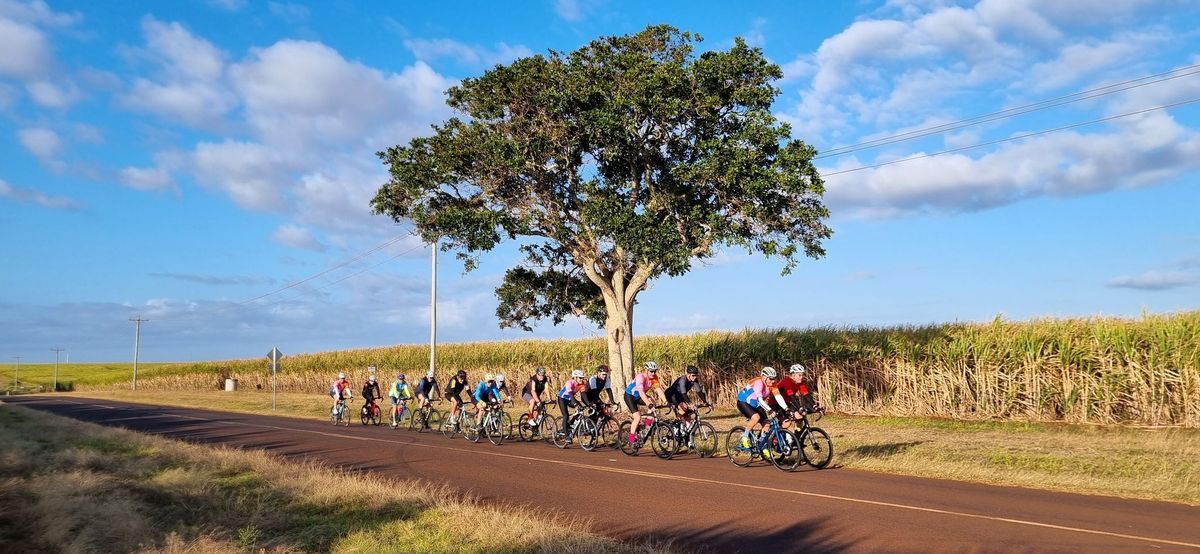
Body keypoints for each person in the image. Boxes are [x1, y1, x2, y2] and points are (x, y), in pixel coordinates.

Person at [736, 367, 779, 447]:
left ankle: (762, 445)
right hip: (743, 402)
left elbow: (779, 398)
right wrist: (769, 410)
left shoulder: (773, 385)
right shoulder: (759, 383)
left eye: (774, 379)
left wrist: (786, 408)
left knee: (767, 423)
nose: (773, 381)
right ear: (764, 378)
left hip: (755, 404)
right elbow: (759, 399)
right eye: (771, 379)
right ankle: (744, 437)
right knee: (756, 417)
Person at [625, 361, 665, 445]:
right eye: (651, 371)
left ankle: (647, 427)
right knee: (637, 417)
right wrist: (649, 404)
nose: (653, 373)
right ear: (646, 370)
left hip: (639, 396)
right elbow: (641, 392)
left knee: (653, 402)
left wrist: (666, 401)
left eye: (654, 371)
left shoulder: (654, 378)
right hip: (630, 396)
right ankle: (631, 438)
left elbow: (659, 390)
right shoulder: (641, 377)